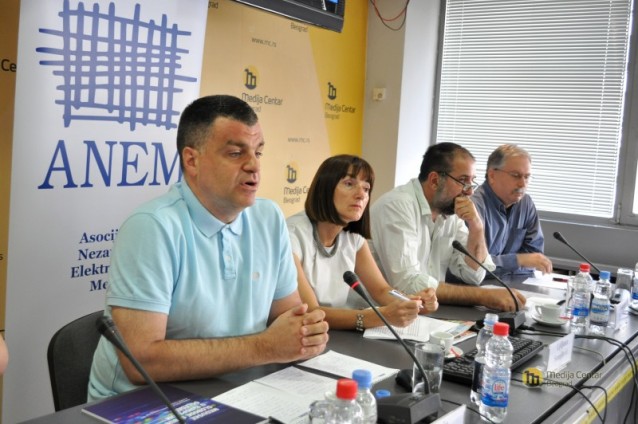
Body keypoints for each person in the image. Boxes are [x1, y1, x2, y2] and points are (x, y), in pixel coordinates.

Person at [88, 95, 329, 400]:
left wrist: (306, 334)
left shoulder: (269, 218)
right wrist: (266, 346)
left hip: (237, 392)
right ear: (192, 160)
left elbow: (289, 320)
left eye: (258, 152)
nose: (254, 165)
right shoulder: (152, 226)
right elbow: (142, 362)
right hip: (145, 403)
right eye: (235, 153)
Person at [287, 155, 438, 331]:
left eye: (366, 188)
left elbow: (381, 290)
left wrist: (411, 302)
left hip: (333, 333)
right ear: (324, 189)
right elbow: (312, 312)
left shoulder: (353, 236)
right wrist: (380, 316)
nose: (361, 195)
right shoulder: (291, 235)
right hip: (302, 333)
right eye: (349, 184)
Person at [370, 142, 526, 312]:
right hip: (375, 315)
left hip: (423, 313)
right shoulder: (397, 206)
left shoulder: (449, 212)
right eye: (463, 181)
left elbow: (473, 275)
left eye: (472, 181)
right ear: (435, 181)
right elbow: (408, 284)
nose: (470, 192)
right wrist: (484, 296)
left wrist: (477, 227)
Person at [472, 144, 552, 276]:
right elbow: (472, 267)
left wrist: (508, 264)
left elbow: (534, 259)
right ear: (492, 175)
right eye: (515, 175)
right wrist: (517, 261)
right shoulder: (472, 207)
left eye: (527, 177)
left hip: (514, 283)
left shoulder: (526, 204)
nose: (523, 184)